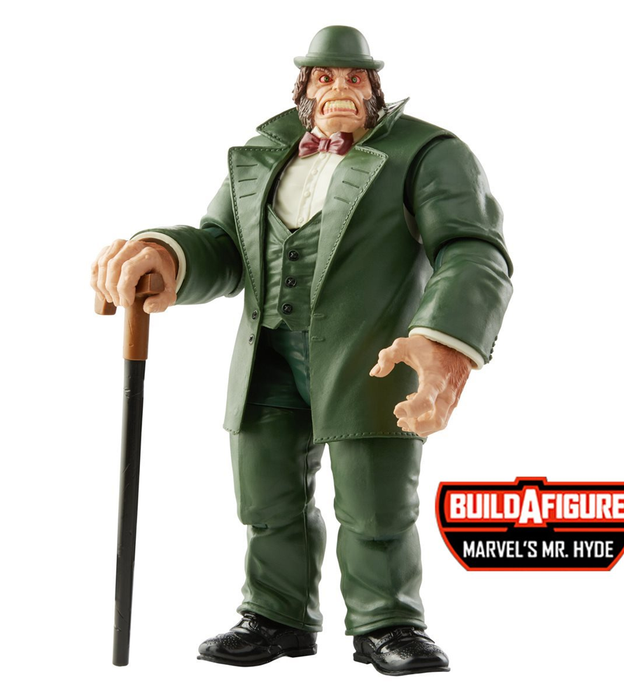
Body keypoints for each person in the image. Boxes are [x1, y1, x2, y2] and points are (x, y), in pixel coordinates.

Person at [91, 26, 513, 676]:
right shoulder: (265, 154)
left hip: (369, 357)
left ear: (375, 89)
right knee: (266, 495)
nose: (340, 88)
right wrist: (168, 254)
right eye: (325, 77)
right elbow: (223, 244)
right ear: (304, 89)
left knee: (374, 502)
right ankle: (276, 614)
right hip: (269, 353)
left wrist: (446, 337)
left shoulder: (426, 152)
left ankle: (387, 621)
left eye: (354, 78)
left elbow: (471, 247)